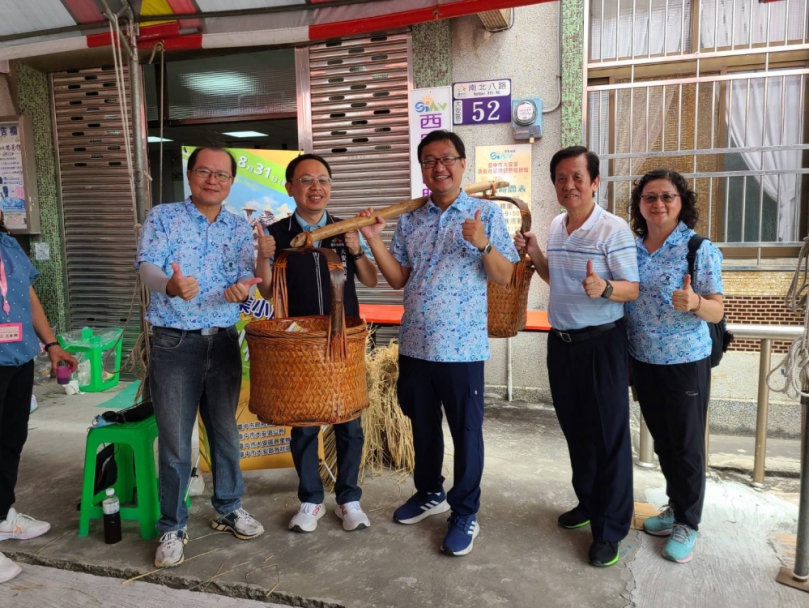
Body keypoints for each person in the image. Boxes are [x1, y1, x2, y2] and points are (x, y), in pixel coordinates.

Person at [358, 130, 519, 556]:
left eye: (447, 158)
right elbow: (398, 279)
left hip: (462, 348)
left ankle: (465, 512)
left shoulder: (486, 213)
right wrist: (374, 239)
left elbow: (505, 277)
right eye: (429, 161)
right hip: (414, 344)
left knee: (467, 433)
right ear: (423, 169)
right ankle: (430, 492)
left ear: (463, 164)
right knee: (423, 428)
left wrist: (481, 243)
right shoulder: (411, 219)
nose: (439, 167)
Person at [137, 146, 264, 569]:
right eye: (205, 172)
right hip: (175, 344)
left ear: (231, 182)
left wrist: (241, 289)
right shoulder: (163, 217)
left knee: (226, 433)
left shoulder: (237, 227)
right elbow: (147, 269)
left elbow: (246, 276)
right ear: (191, 175)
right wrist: (170, 287)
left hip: (224, 341)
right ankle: (172, 525)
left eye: (222, 174)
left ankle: (228, 508)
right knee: (175, 442)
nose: (213, 180)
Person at [514, 146, 639, 567]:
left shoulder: (613, 228)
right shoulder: (555, 225)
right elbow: (555, 278)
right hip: (562, 344)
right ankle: (588, 504)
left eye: (577, 177)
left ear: (595, 182)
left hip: (602, 344)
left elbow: (632, 288)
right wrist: (535, 252)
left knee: (608, 439)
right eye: (561, 178)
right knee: (577, 433)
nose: (569, 185)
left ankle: (611, 528)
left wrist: (604, 288)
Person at [255, 153, 378, 533]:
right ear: (289, 187)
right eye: (306, 180)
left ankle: (349, 498)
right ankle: (310, 501)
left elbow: (372, 280)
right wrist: (263, 258)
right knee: (304, 424)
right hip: (299, 348)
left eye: (322, 180)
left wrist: (356, 247)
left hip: (343, 342)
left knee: (349, 423)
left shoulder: (346, 229)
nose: (316, 187)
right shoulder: (275, 234)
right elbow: (263, 287)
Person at [624, 168, 724, 563]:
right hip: (644, 360)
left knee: (685, 445)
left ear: (682, 203)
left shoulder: (698, 248)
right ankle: (674, 506)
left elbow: (717, 310)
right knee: (664, 442)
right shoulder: (631, 249)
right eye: (649, 197)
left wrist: (696, 303)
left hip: (685, 362)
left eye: (667, 197)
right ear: (640, 205)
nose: (658, 204)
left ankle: (688, 521)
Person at [0, 209, 77, 583]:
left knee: (11, 439)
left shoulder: (9, 245)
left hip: (16, 357)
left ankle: (2, 516)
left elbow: (28, 300)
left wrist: (51, 344)